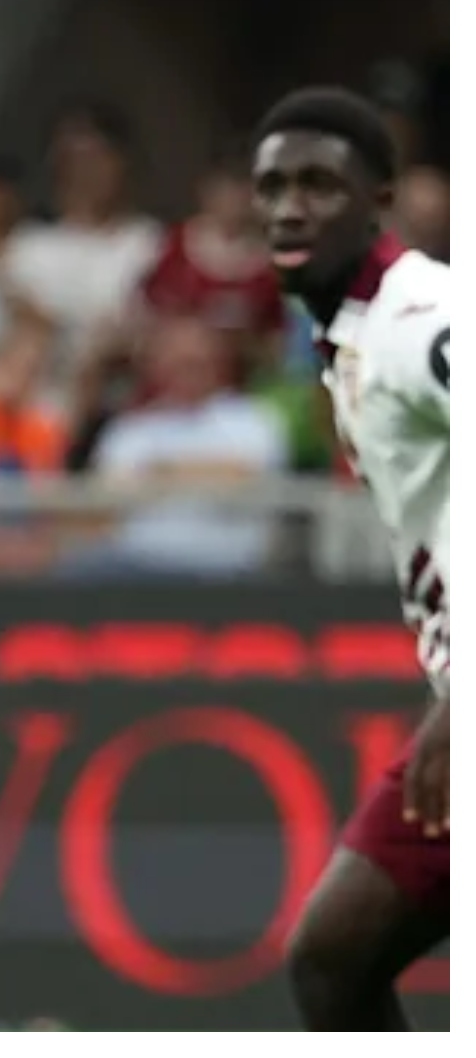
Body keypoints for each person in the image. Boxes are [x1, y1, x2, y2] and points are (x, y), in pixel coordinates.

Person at [252, 87, 448, 1030]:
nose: (290, 205)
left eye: (321, 184)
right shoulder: (351, 336)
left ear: (382, 198)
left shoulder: (420, 322)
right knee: (335, 959)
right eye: (274, 185)